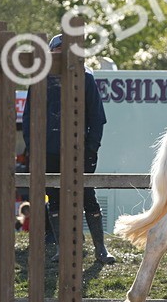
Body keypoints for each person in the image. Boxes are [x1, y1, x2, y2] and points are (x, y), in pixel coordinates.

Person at [21, 34, 115, 264]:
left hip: (79, 150)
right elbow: (29, 117)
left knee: (87, 195)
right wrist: (34, 149)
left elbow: (97, 117)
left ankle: (100, 248)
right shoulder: (40, 77)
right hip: (49, 150)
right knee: (54, 197)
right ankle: (62, 248)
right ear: (52, 52)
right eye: (59, 49)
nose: (64, 55)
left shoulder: (85, 77)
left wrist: (91, 150)